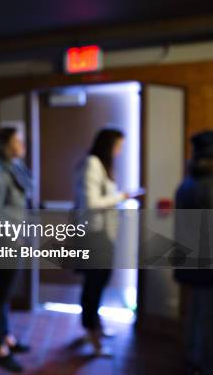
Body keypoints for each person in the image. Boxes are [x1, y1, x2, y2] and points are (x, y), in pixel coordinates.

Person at [73, 127, 129, 356]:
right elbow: (92, 202)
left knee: (99, 282)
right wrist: (121, 197)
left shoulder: (100, 166)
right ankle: (92, 333)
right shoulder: (92, 164)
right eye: (117, 146)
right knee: (93, 285)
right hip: (93, 235)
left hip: (102, 235)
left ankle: (95, 327)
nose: (119, 151)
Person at [0, 127, 31, 372]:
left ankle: (7, 336)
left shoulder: (15, 167)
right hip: (4, 242)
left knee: (6, 294)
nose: (22, 143)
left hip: (16, 240)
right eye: (17, 140)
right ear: (6, 145)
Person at [174, 130, 213, 374]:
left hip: (189, 259)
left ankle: (191, 354)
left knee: (196, 310)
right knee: (207, 315)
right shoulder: (209, 186)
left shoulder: (187, 184)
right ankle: (205, 362)